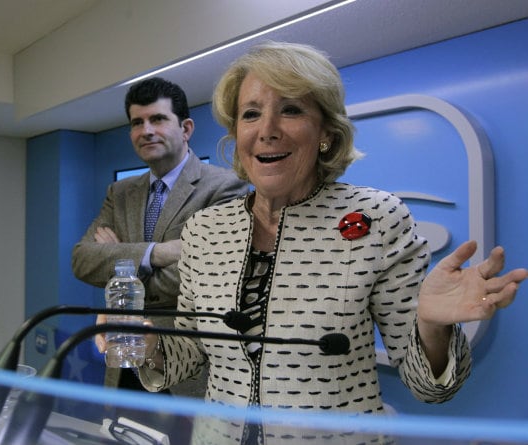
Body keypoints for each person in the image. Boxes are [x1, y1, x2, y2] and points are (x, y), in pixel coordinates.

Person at [132, 42, 528, 443]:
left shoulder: (379, 217)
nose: (267, 129)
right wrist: (147, 342)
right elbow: (188, 354)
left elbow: (428, 384)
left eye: (291, 109)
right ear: (237, 135)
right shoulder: (205, 229)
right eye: (251, 114)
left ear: (325, 132)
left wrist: (433, 326)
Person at [72, 77, 249, 397]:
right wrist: (158, 253)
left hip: (189, 369)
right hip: (123, 362)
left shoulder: (226, 187)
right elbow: (82, 260)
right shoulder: (121, 192)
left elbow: (211, 274)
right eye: (137, 122)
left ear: (186, 128)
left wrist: (121, 270)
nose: (146, 130)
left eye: (158, 119)